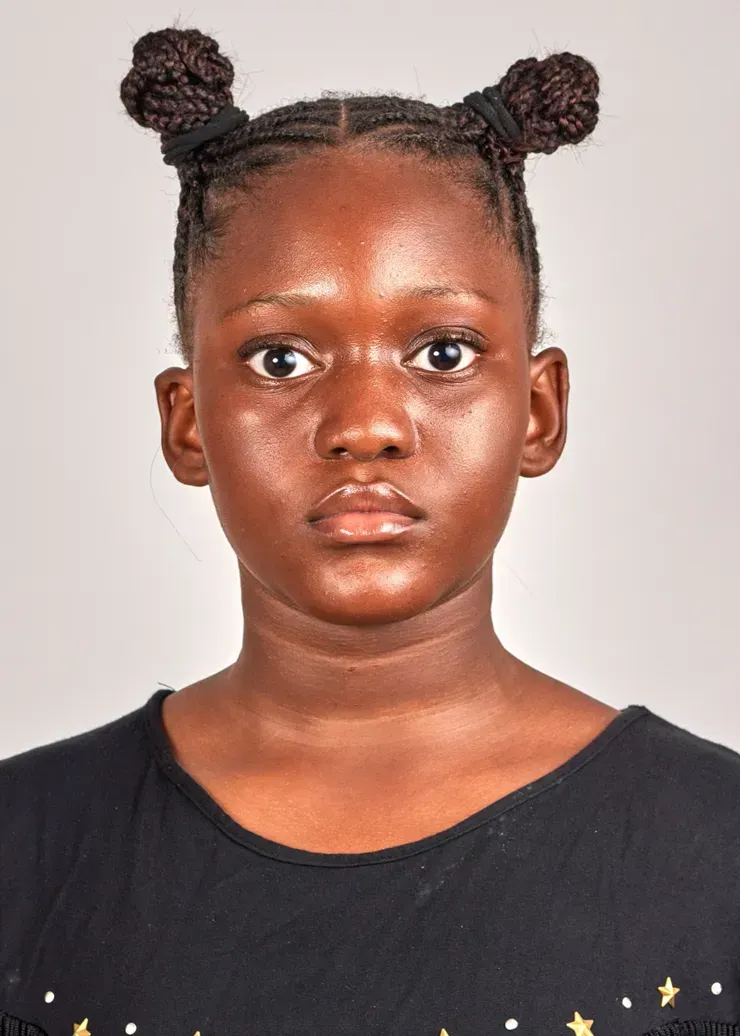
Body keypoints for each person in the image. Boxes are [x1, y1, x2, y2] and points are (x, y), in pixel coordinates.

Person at [1, 26, 738, 1036]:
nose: (364, 426)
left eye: (442, 353)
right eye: (279, 360)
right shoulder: (25, 850)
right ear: (187, 423)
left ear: (537, 411)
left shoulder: (715, 854)